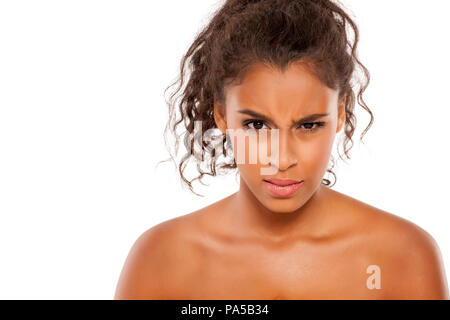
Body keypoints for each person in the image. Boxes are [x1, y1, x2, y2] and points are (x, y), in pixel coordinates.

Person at [114, 0, 449, 299]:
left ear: (342, 113)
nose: (283, 158)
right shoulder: (162, 260)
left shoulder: (402, 256)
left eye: (308, 125)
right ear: (220, 113)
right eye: (257, 125)